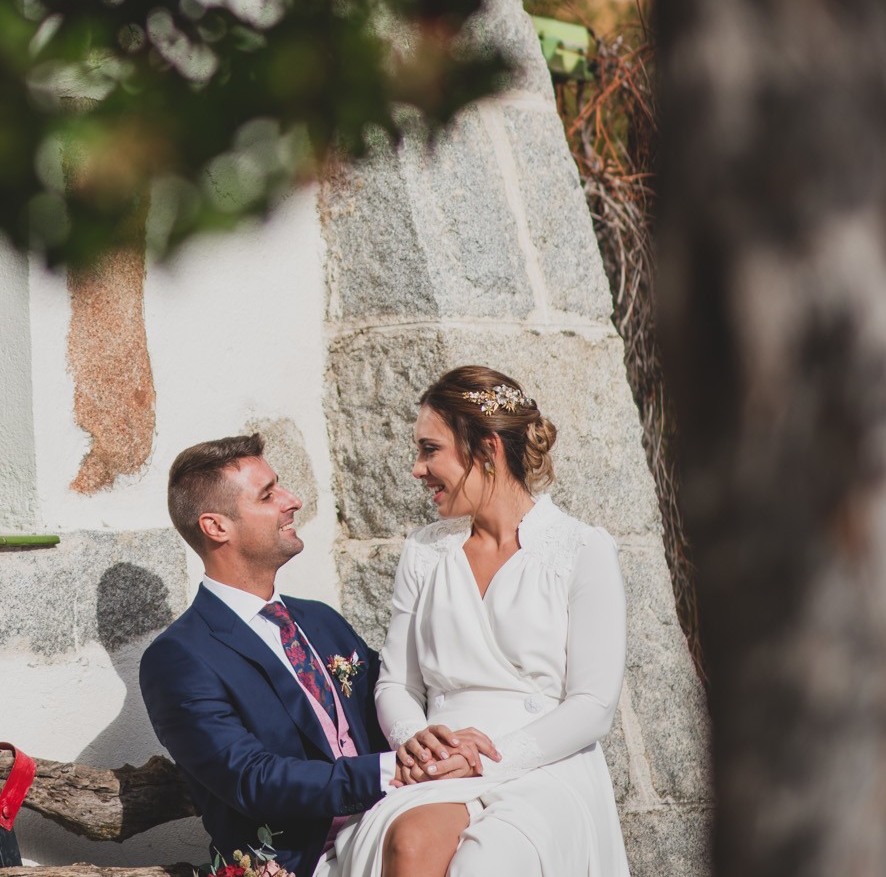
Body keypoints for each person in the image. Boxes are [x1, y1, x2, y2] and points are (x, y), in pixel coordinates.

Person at [327, 365, 630, 877]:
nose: (416, 470)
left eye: (430, 450)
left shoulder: (583, 549)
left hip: (546, 767)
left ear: (486, 451)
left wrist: (487, 758)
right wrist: (414, 737)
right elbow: (396, 682)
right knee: (406, 844)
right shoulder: (424, 552)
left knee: (485, 865)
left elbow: (594, 706)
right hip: (442, 767)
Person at [139, 433, 411, 877]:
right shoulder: (178, 658)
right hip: (302, 864)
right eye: (269, 495)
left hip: (392, 824)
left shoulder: (321, 621)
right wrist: (389, 771)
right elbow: (252, 779)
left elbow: (390, 691)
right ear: (217, 527)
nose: (293, 500)